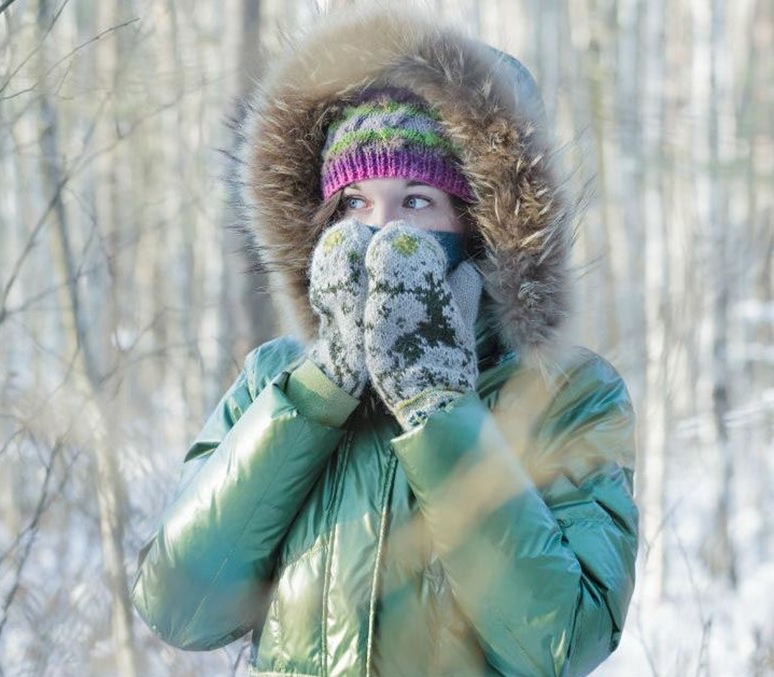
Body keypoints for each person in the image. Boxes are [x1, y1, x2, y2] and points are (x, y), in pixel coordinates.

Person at [131, 5, 638, 676]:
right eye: (353, 205)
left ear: (479, 222)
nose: (379, 231)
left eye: (417, 202)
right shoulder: (275, 382)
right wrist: (318, 392)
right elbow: (180, 606)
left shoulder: (567, 395)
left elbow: (561, 642)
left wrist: (438, 406)